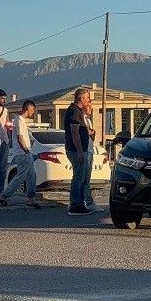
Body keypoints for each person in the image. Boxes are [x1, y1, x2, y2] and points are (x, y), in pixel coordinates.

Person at [0, 100, 41, 208]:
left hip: (26, 153)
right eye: (32, 109)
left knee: (31, 176)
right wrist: (26, 150)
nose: (33, 112)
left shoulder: (21, 121)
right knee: (21, 176)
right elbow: (20, 137)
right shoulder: (19, 120)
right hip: (23, 153)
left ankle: (31, 199)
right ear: (27, 108)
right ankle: (4, 195)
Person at [64, 87, 95, 215]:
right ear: (80, 98)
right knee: (79, 178)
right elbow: (75, 133)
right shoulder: (74, 112)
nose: (88, 100)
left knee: (81, 177)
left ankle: (79, 203)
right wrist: (80, 152)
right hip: (76, 151)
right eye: (87, 97)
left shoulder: (77, 111)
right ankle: (76, 205)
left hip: (79, 150)